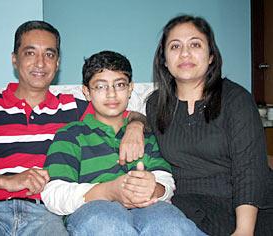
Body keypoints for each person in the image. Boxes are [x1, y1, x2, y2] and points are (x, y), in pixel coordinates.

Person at [0, 21, 145, 236]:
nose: (40, 63)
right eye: (30, 52)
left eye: (49, 54)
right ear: (14, 59)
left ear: (57, 63)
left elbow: (126, 115)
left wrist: (135, 126)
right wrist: (4, 181)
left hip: (48, 215)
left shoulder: (74, 108)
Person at [42, 50, 206, 236]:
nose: (111, 94)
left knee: (170, 226)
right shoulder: (70, 135)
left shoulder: (146, 135)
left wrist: (153, 188)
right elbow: (53, 194)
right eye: (101, 86)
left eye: (119, 85)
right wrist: (108, 191)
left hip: (149, 208)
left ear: (130, 88)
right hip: (94, 209)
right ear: (86, 92)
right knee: (108, 225)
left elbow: (165, 180)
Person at [138, 15, 272, 235]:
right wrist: (136, 124)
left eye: (195, 44)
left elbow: (249, 168)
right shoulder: (155, 104)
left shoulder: (235, 98)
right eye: (175, 46)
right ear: (164, 59)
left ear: (211, 56)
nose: (185, 53)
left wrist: (244, 229)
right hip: (191, 207)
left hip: (248, 209)